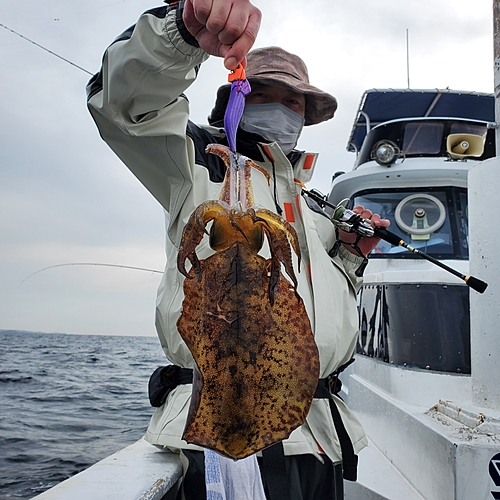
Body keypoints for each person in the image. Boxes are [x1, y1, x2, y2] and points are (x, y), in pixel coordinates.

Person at [86, 1, 390, 498]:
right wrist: (180, 33)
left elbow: (316, 308)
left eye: (295, 103)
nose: (283, 109)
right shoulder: (199, 166)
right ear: (237, 97)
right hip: (226, 422)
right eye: (264, 93)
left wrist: (352, 256)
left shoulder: (315, 210)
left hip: (318, 438)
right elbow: (128, 109)